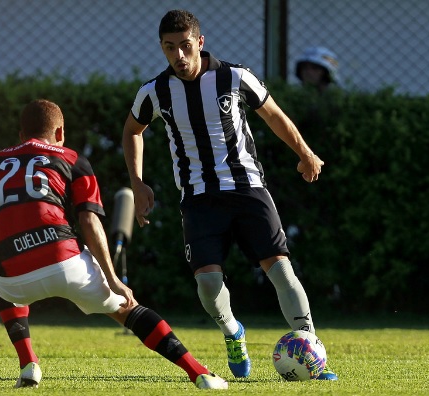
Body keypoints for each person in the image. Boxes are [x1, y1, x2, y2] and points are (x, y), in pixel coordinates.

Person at [0, 99, 228, 390]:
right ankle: (199, 373)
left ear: (20, 133)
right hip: (66, 263)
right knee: (128, 311)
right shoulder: (72, 159)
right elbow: (89, 221)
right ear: (60, 132)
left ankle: (29, 365)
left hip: (13, 277)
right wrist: (114, 278)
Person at [121, 10, 338, 380]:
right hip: (199, 199)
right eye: (170, 48)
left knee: (282, 273)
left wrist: (305, 153)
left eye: (185, 46)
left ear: (200, 42)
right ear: (162, 48)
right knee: (207, 284)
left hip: (248, 190)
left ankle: (313, 357)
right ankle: (233, 333)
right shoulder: (154, 92)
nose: (179, 56)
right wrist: (138, 183)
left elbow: (273, 115)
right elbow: (132, 131)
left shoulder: (234, 76)